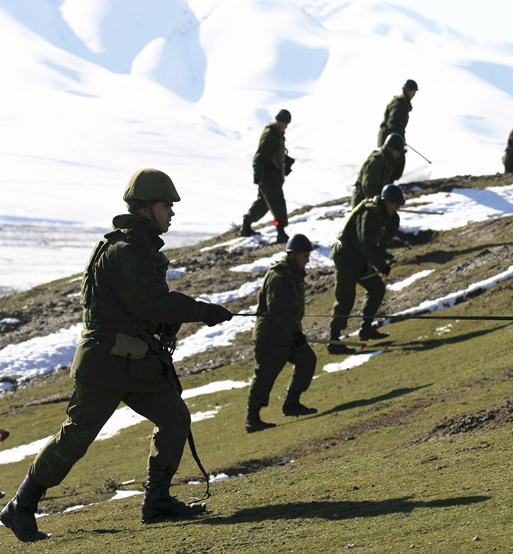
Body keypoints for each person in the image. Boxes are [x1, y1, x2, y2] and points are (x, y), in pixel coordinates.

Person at [0, 169, 234, 543]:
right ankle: (21, 506)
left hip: (134, 362)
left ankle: (157, 502)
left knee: (174, 418)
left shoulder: (136, 248)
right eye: (165, 205)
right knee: (75, 438)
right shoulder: (126, 251)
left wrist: (192, 314)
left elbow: (144, 309)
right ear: (144, 210)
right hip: (106, 364)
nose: (172, 212)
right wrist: (203, 311)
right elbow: (151, 303)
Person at [245, 234, 319, 433]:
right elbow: (278, 310)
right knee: (265, 376)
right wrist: (295, 333)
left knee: (307, 360)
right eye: (304, 256)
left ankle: (291, 404)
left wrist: (295, 333)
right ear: (293, 255)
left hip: (287, 333)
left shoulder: (292, 274)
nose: (307, 260)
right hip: (271, 335)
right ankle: (252, 420)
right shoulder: (279, 276)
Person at [327, 185, 405, 354]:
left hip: (359, 257)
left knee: (376, 288)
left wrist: (381, 255)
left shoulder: (383, 215)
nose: (396, 209)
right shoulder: (369, 214)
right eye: (395, 205)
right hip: (346, 256)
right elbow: (366, 243)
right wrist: (380, 264)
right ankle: (333, 341)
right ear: (386, 201)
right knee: (345, 298)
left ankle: (366, 329)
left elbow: (376, 242)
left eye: (398, 206)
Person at [241, 109, 294, 243]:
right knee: (277, 203)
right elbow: (260, 156)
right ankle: (281, 232)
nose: (286, 127)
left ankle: (246, 224)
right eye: (286, 124)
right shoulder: (270, 134)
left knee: (263, 203)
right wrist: (258, 175)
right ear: (280, 122)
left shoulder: (277, 134)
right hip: (268, 175)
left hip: (273, 174)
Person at [350, 133, 406, 209]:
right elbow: (368, 188)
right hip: (363, 200)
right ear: (389, 148)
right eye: (398, 151)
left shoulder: (386, 161)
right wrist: (378, 204)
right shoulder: (376, 162)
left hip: (371, 200)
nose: (399, 154)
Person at [377, 79, 417, 183]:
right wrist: (397, 141)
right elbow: (393, 125)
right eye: (413, 92)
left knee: (396, 162)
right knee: (395, 162)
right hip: (389, 139)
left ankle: (388, 184)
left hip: (391, 137)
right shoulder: (399, 104)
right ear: (408, 90)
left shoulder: (402, 103)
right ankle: (387, 185)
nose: (414, 95)